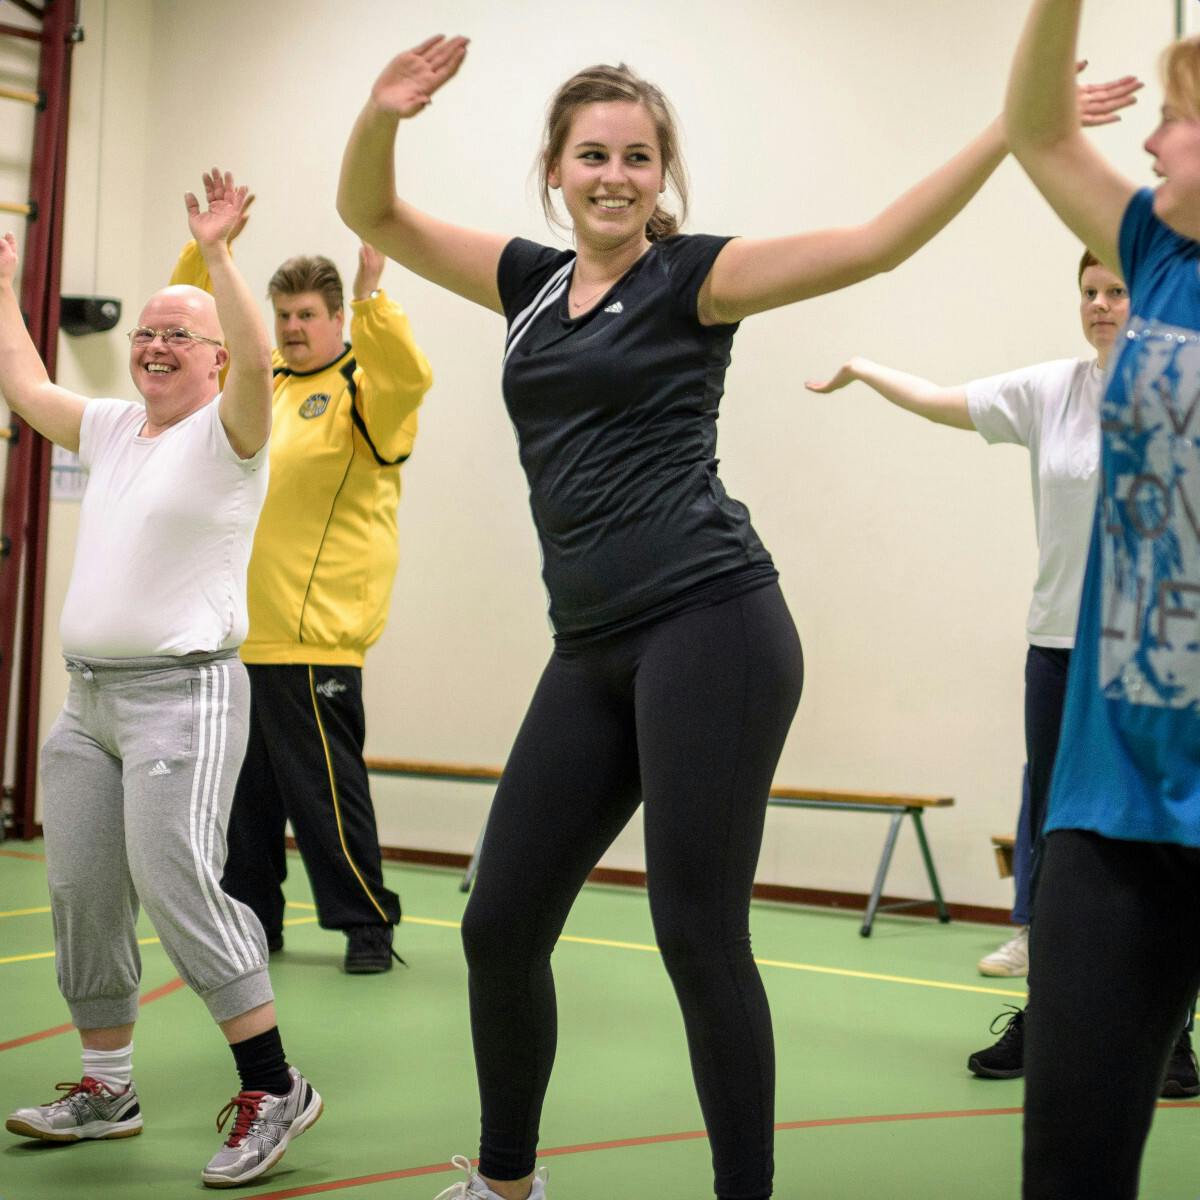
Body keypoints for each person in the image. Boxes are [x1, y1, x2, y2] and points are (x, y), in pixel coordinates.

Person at [337, 36, 1139, 1200]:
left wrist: (1012, 132)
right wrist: (383, 109)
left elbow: (876, 243)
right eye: (592, 155)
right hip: (591, 645)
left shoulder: (695, 277)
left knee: (696, 937)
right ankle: (507, 1182)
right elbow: (373, 209)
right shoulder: (528, 283)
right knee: (499, 923)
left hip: (713, 626)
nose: (615, 175)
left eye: (639, 158)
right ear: (554, 171)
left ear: (664, 177)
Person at [806, 246, 1197, 1094]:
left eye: (1117, 290)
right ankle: (1051, 1018)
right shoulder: (1050, 390)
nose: (1101, 305)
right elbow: (949, 402)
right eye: (1089, 292)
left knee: (1155, 846)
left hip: (1157, 661)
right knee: (1059, 844)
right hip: (1057, 652)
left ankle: (1170, 1038)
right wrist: (869, 367)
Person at [0, 171, 321, 1188]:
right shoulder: (108, 430)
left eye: (178, 334)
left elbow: (259, 355)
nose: (153, 345)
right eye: (146, 331)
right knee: (83, 890)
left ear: (220, 359)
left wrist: (218, 256)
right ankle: (108, 1088)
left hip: (182, 696)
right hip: (86, 699)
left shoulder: (232, 437)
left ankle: (275, 1087)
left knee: (178, 881)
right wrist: (4, 288)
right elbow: (23, 385)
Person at [1005, 5, 1200, 1196]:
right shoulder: (1161, 258)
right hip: (1111, 796)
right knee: (1070, 1161)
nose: (1151, 142)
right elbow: (1033, 130)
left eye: (1175, 120)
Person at [170, 212, 433, 975]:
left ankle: (367, 926)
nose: (289, 328)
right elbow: (198, 348)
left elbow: (409, 376)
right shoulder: (266, 387)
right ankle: (254, 923)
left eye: (306, 315)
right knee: (244, 802)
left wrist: (372, 300)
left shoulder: (364, 392)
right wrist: (205, 254)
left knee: (324, 796)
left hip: (315, 636)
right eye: (282, 315)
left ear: (334, 319)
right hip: (239, 632)